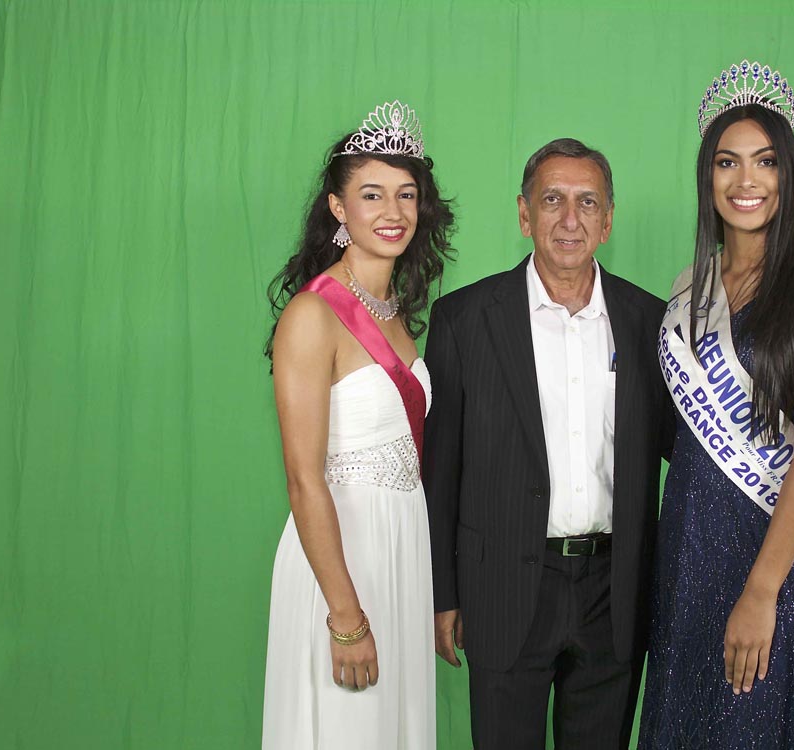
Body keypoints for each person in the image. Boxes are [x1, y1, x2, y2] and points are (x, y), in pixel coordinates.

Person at [639, 61, 794, 749]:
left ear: (787, 174)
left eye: (765, 162)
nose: (746, 181)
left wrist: (760, 591)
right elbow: (684, 433)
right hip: (687, 540)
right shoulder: (692, 286)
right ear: (707, 177)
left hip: (772, 549)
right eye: (727, 162)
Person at [422, 138, 673, 750]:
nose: (569, 219)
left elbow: (687, 446)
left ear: (608, 220)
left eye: (587, 202)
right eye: (552, 199)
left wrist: (792, 461)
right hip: (503, 585)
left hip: (613, 592)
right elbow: (440, 469)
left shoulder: (650, 322)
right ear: (523, 213)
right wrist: (442, 594)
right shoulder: (464, 319)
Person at [261, 100, 455, 750]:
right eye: (371, 194)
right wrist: (344, 616)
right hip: (341, 556)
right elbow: (302, 477)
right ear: (339, 209)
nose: (393, 212)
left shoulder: (397, 313)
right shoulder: (313, 316)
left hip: (403, 547)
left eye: (406, 195)